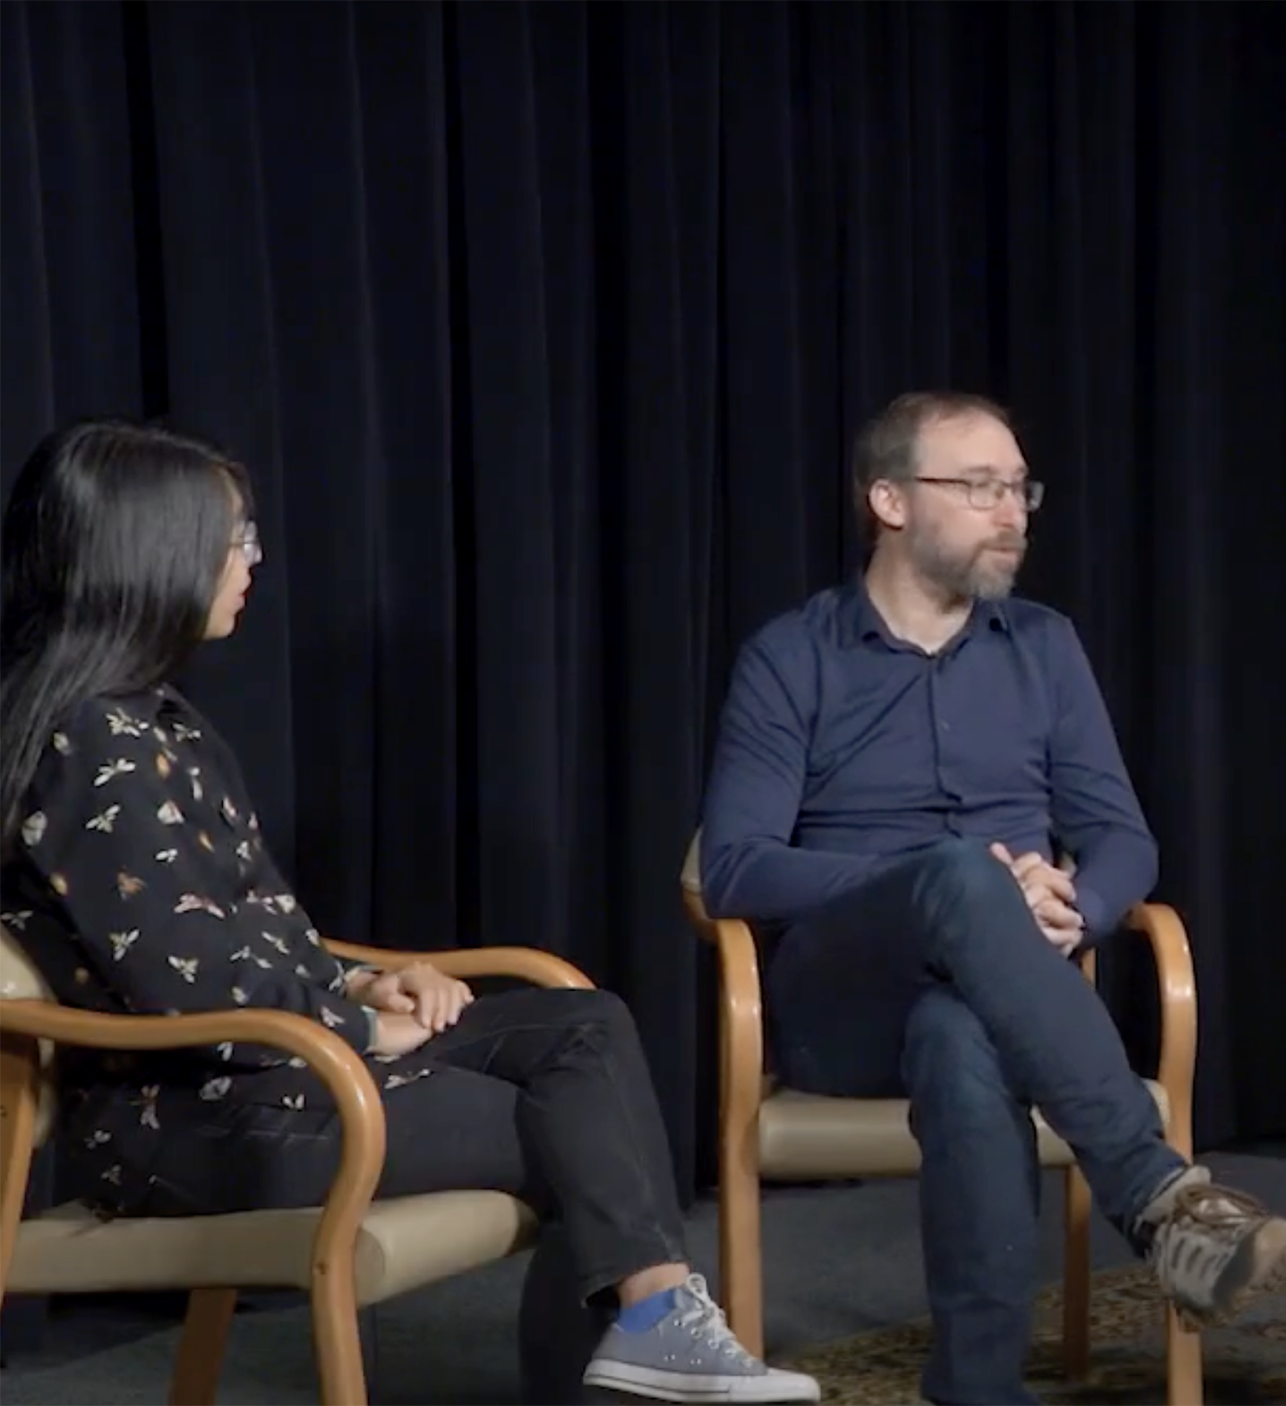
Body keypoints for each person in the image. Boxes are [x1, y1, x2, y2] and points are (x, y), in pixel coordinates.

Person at [0, 421, 820, 1405]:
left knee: (583, 1025)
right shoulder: (89, 739)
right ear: (150, 549)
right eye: (234, 537)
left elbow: (238, 926)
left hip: (277, 1069)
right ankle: (647, 1339)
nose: (252, 559)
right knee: (576, 1126)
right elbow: (185, 984)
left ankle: (649, 1335)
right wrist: (357, 1026)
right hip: (186, 1120)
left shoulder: (162, 721)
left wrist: (358, 978)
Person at [697, 390, 1286, 1406]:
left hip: (992, 988)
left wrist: (1078, 898)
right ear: (890, 500)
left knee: (960, 1034)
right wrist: (949, 880)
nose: (1013, 512)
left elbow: (1120, 834)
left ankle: (977, 1388)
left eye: (1019, 488)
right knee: (954, 876)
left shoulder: (1043, 643)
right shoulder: (793, 654)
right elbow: (737, 865)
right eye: (979, 487)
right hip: (844, 997)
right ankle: (1159, 1196)